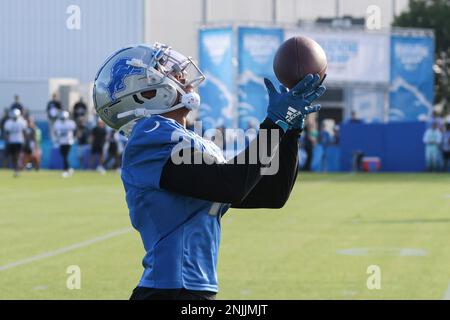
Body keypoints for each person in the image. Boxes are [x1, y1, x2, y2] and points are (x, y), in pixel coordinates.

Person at [93, 43, 326, 300]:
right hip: (170, 292)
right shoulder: (150, 136)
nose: (179, 74)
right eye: (165, 69)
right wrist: (275, 124)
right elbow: (231, 185)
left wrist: (291, 130)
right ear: (144, 93)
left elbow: (272, 193)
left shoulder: (192, 140)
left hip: (192, 291)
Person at [4, 109, 27, 177]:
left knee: (17, 156)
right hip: (12, 141)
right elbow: (7, 133)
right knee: (13, 157)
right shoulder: (9, 122)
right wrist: (7, 140)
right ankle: (16, 169)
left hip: (19, 141)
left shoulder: (22, 122)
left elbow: (24, 131)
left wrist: (25, 140)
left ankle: (17, 170)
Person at [54, 111, 76, 178]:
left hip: (68, 142)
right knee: (64, 156)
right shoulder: (58, 123)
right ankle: (69, 169)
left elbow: (75, 130)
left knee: (65, 156)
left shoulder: (70, 123)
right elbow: (55, 131)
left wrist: (73, 137)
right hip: (61, 142)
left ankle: (65, 170)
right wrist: (57, 137)